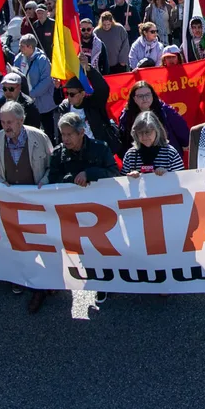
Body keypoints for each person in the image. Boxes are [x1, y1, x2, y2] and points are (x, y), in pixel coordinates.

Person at [47, 112, 119, 304]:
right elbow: (52, 180)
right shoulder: (57, 154)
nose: (65, 139)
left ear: (81, 133)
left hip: (100, 210)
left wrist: (90, 173)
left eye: (69, 134)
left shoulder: (100, 148)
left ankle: (105, 283)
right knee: (83, 251)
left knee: (101, 249)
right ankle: (95, 281)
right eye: (62, 134)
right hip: (73, 212)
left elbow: (114, 172)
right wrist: (71, 179)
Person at [117, 82, 189, 154]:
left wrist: (186, 143)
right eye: (140, 96)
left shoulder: (165, 110)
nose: (145, 99)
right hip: (139, 157)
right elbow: (123, 140)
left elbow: (180, 128)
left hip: (166, 154)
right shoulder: (127, 115)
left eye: (147, 95)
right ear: (134, 98)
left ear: (152, 95)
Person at [122, 111, 186, 177]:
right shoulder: (130, 154)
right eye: (140, 133)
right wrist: (130, 176)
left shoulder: (170, 152)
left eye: (148, 132)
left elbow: (181, 179)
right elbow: (123, 180)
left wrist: (167, 174)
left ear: (157, 130)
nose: (144, 137)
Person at [12, 34, 55, 117]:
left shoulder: (42, 59)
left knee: (47, 127)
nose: (20, 49)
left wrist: (31, 94)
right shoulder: (19, 58)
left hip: (43, 103)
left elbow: (46, 80)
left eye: (22, 46)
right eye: (20, 46)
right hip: (25, 102)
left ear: (30, 47)